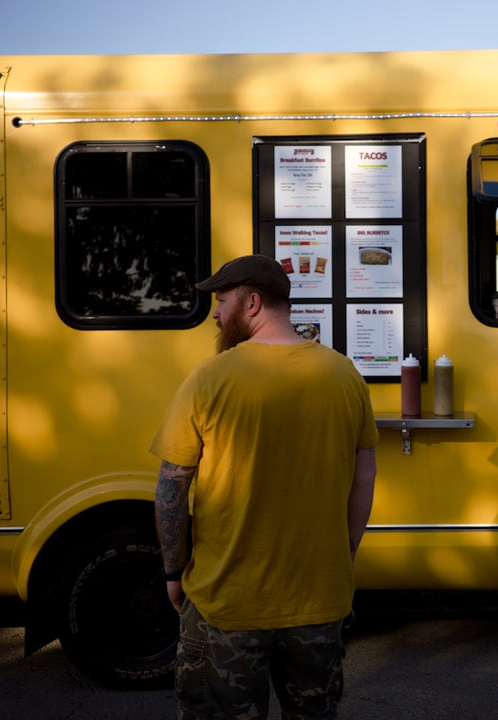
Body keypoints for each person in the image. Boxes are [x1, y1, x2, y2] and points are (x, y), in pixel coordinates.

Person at [151, 254, 378, 720]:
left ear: (252, 303)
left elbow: (172, 485)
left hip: (226, 605)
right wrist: (345, 554)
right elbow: (365, 475)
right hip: (319, 601)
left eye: (221, 301)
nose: (215, 313)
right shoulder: (344, 375)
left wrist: (174, 572)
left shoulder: (209, 379)